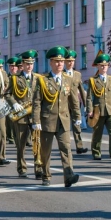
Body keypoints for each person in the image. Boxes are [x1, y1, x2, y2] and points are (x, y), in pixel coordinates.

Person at [31, 47, 81, 187]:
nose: (60, 64)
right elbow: (36, 102)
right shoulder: (42, 80)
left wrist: (77, 116)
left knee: (66, 149)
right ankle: (46, 175)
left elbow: (73, 100)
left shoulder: (68, 80)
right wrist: (36, 120)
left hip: (63, 120)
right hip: (47, 121)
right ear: (51, 63)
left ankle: (68, 176)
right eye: (57, 61)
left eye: (62, 61)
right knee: (45, 151)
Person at [5, 50, 38, 179]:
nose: (29, 66)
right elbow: (7, 94)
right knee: (21, 144)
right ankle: (22, 168)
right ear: (22, 64)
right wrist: (14, 103)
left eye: (31, 63)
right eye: (27, 63)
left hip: (35, 115)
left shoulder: (39, 78)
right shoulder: (15, 78)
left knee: (37, 143)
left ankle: (38, 168)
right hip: (21, 114)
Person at [86, 52, 111, 160]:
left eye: (105, 65)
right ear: (97, 66)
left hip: (110, 110)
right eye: (101, 65)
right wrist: (90, 110)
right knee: (97, 133)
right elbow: (89, 97)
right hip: (98, 110)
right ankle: (96, 152)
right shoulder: (93, 80)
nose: (104, 67)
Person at [63, 50, 87, 154]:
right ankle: (66, 146)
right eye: (68, 61)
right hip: (64, 104)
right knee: (65, 127)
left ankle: (79, 146)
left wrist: (85, 105)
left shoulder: (77, 74)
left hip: (75, 104)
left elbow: (81, 90)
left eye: (72, 61)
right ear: (65, 62)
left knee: (77, 126)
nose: (71, 63)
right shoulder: (62, 74)